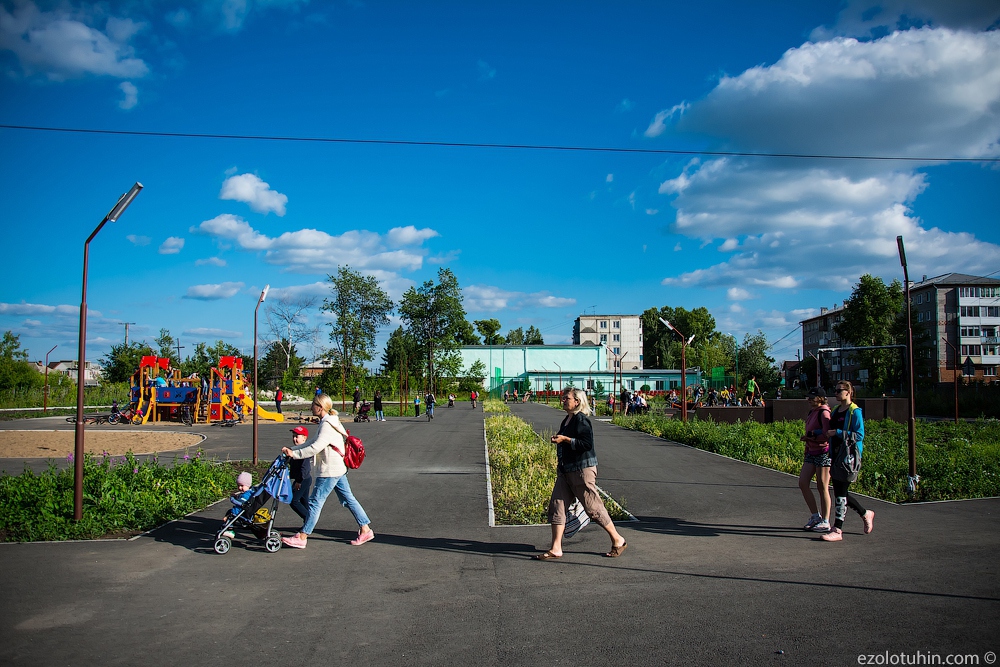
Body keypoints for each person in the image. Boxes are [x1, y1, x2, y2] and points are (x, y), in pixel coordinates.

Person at [533, 387, 628, 561]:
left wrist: (566, 440)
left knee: (593, 508)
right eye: (563, 397)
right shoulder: (567, 420)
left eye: (566, 398)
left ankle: (617, 539)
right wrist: (560, 441)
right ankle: (556, 548)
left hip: (582, 470)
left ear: (577, 401)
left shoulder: (581, 420)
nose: (563, 400)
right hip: (566, 470)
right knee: (557, 505)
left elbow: (587, 444)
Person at [281, 394, 375, 548]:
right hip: (338, 468)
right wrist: (293, 449)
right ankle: (365, 529)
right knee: (348, 499)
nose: (311, 407)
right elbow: (313, 442)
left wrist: (294, 454)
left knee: (315, 502)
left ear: (320, 407)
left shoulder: (327, 424)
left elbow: (315, 447)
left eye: (313, 404)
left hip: (330, 470)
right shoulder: (329, 421)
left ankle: (303, 536)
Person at [822, 381, 875, 542]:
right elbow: (828, 430)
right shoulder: (837, 410)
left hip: (849, 456)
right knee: (840, 492)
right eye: (835, 390)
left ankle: (837, 529)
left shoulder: (854, 411)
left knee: (840, 492)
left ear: (848, 392)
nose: (836, 393)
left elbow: (859, 435)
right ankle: (865, 513)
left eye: (839, 391)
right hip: (836, 455)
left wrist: (837, 432)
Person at [799, 387, 832, 533]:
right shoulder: (812, 412)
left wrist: (813, 436)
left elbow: (827, 434)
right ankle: (815, 515)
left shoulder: (824, 413)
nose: (809, 400)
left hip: (823, 452)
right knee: (803, 482)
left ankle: (825, 520)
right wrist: (808, 441)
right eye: (809, 397)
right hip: (811, 451)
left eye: (812, 397)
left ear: (820, 398)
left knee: (822, 486)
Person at [287, 426, 312, 521]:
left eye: (297, 436)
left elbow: (304, 468)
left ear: (304, 438)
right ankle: (308, 521)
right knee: (304, 500)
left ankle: (308, 519)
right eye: (293, 436)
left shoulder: (304, 451)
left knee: (294, 500)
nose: (294, 439)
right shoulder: (296, 450)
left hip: (303, 479)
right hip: (303, 478)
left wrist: (299, 481)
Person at [222, 471, 253, 538]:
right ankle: (227, 523)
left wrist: (233, 499)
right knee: (230, 512)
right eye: (238, 485)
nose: (239, 488)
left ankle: (230, 529)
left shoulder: (247, 495)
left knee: (231, 515)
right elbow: (241, 499)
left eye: (242, 486)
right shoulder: (247, 493)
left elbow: (240, 502)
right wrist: (236, 497)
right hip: (240, 511)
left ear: (248, 485)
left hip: (241, 512)